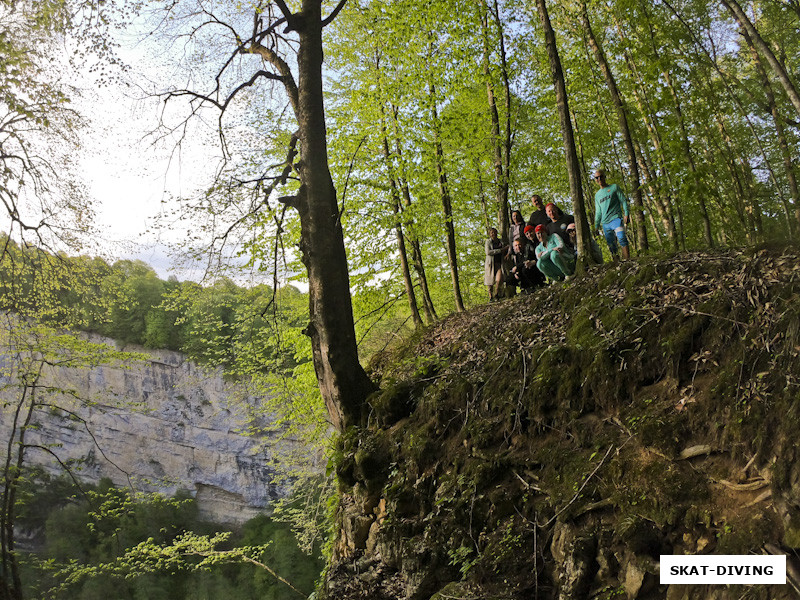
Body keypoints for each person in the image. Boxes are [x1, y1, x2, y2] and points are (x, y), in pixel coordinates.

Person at [593, 168, 630, 261]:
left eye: (601, 177)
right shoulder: (597, 195)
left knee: (621, 238)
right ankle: (617, 264)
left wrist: (626, 214)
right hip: (605, 223)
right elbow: (598, 212)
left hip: (616, 218)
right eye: (597, 178)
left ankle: (627, 261)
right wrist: (596, 226)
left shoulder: (614, 187)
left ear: (604, 177)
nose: (599, 179)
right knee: (611, 244)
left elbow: (623, 200)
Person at [484, 228, 507, 302]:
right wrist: (500, 250)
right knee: (489, 281)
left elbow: (505, 250)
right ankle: (491, 297)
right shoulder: (488, 242)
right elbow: (488, 252)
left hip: (499, 263)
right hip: (490, 264)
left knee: (499, 280)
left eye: (494, 232)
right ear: (489, 234)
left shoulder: (501, 242)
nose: (493, 234)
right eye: (491, 233)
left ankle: (496, 294)